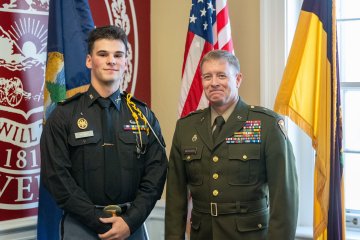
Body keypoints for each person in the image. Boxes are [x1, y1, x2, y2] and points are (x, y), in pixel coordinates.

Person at [40, 25, 168, 240]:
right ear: (89, 61)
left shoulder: (143, 115)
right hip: (81, 226)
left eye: (118, 55)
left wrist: (130, 221)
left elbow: (156, 173)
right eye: (103, 54)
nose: (111, 60)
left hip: (131, 226)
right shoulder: (63, 115)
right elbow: (56, 178)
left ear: (125, 62)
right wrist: (98, 221)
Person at [165, 50, 298, 240]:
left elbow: (284, 197)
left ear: (237, 79)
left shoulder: (267, 125)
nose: (214, 83)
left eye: (221, 75)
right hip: (202, 234)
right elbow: (175, 197)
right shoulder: (186, 127)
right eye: (207, 77)